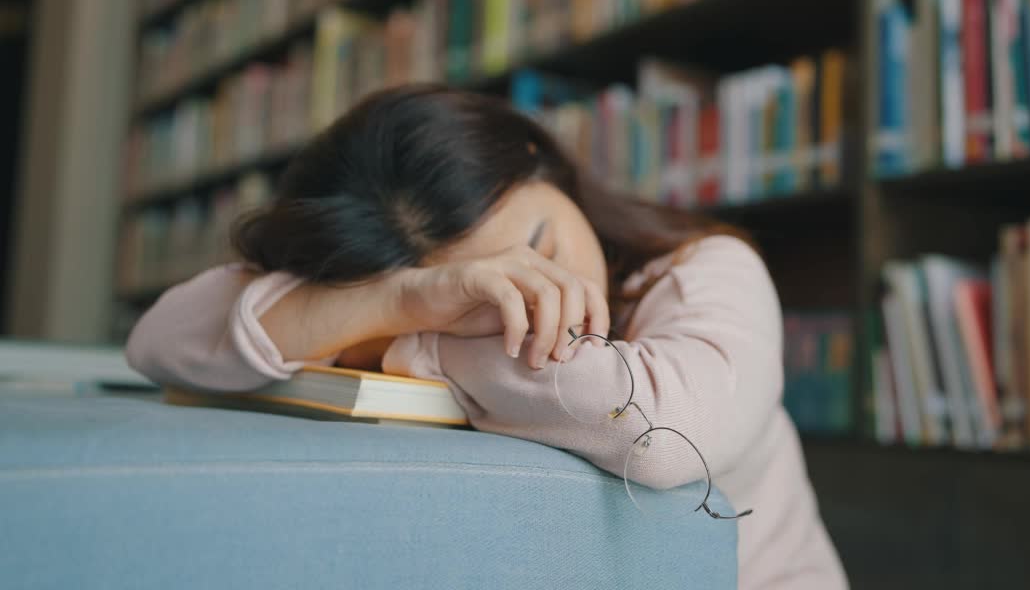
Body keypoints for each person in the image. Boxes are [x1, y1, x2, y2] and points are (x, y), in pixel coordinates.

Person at [126, 85, 848, 589]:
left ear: (539, 156)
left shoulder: (704, 270)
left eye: (542, 248)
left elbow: (658, 429)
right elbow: (160, 338)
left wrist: (406, 342)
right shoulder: (410, 300)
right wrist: (404, 298)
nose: (548, 304)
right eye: (488, 294)